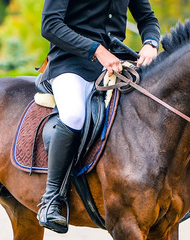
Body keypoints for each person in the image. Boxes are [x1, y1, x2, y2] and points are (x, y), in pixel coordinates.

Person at [37, 0, 160, 233]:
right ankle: (52, 198)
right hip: (71, 63)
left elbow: (147, 19)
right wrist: (96, 50)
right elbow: (50, 25)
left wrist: (150, 43)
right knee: (74, 116)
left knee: (149, 106)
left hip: (116, 64)